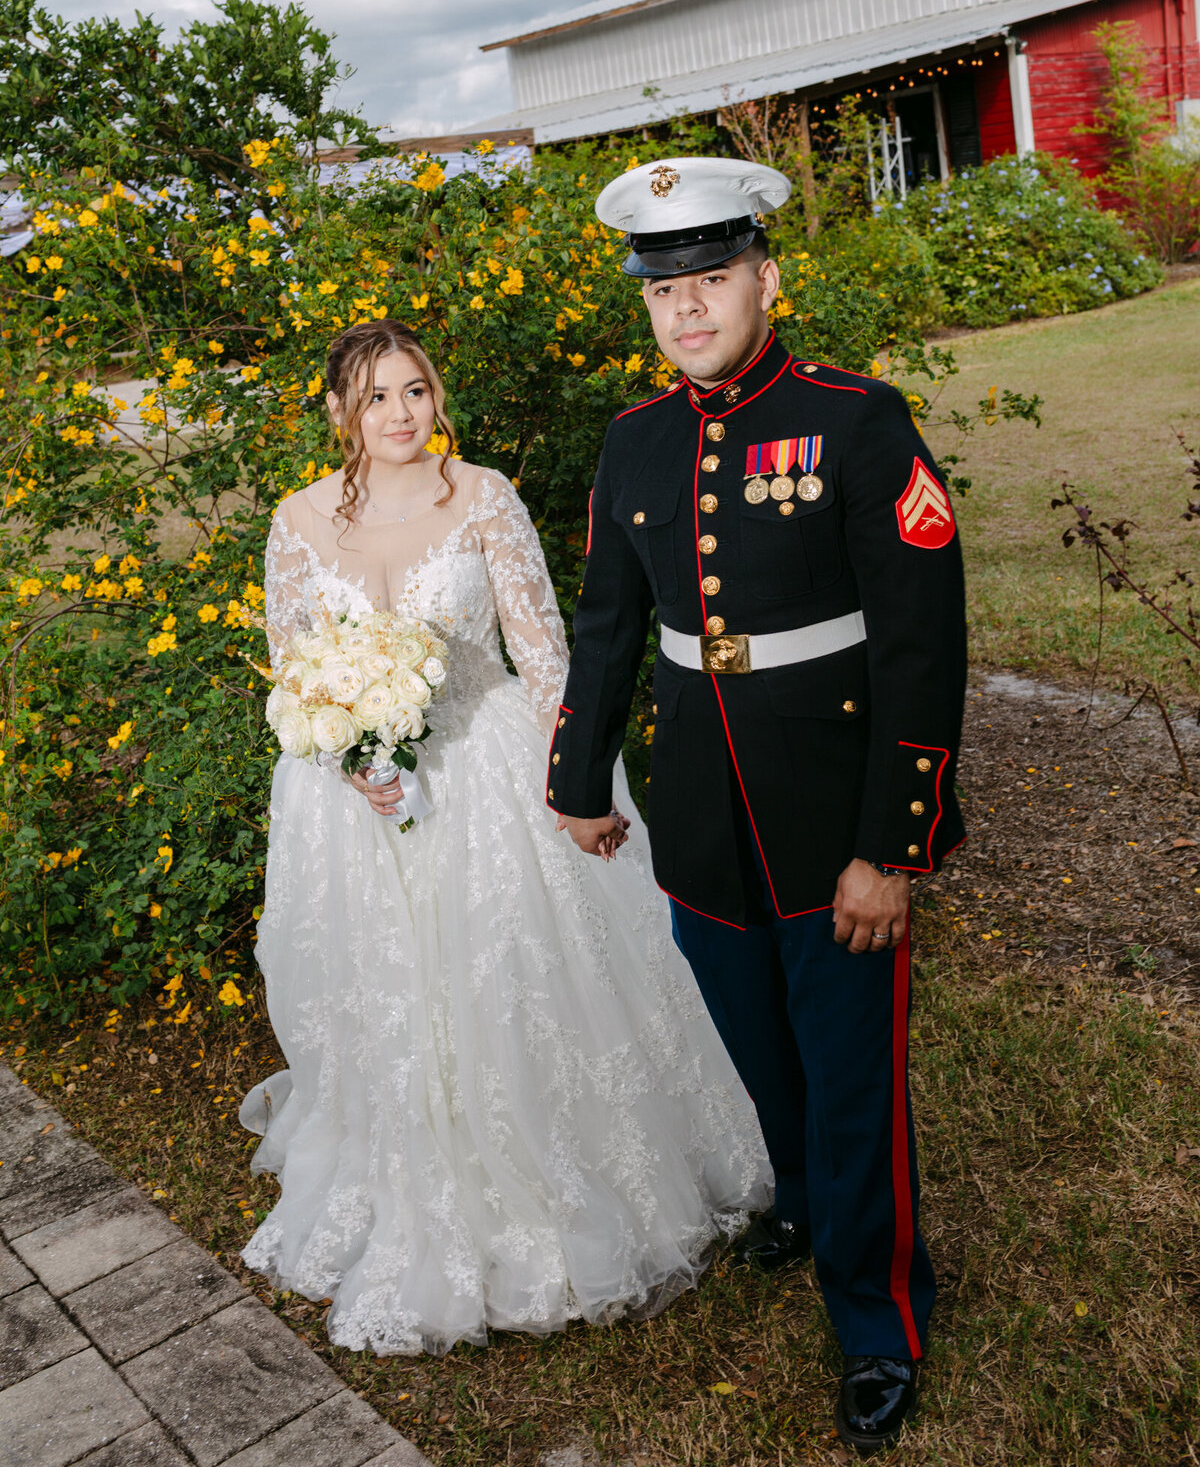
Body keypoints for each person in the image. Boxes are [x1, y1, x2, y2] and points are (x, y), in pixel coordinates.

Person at [238, 317, 771, 1356]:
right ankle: (407, 1167)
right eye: (377, 396)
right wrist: (358, 765)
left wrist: (574, 781)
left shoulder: (481, 495)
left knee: (510, 974)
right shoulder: (296, 521)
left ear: (436, 401)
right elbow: (297, 670)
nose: (400, 415)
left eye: (416, 392)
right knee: (390, 988)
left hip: (487, 768)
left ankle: (555, 1179)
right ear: (340, 410)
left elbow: (543, 653)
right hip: (354, 804)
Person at [550, 158, 967, 1453]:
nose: (687, 309)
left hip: (832, 814)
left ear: (764, 281)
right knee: (761, 1047)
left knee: (852, 1075)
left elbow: (921, 646)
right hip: (703, 825)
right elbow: (610, 629)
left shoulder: (857, 422)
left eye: (711, 278)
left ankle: (879, 1313)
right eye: (664, 290)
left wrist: (891, 850)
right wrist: (576, 779)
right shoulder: (634, 442)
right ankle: (802, 1200)